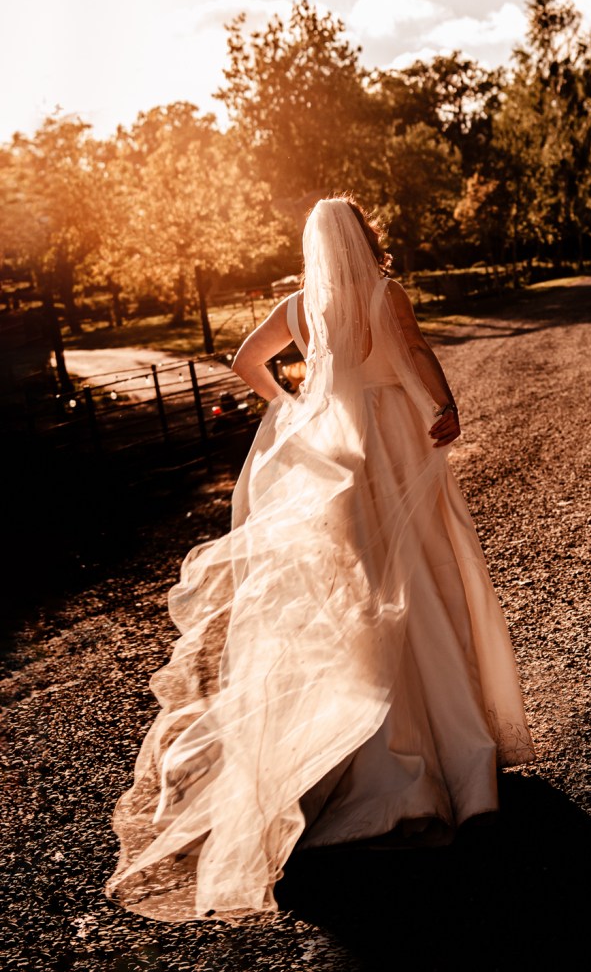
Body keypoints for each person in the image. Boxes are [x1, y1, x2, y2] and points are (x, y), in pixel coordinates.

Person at [105, 195, 535, 923]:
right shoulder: (383, 292)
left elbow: (246, 361)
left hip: (335, 450)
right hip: (396, 440)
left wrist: (294, 403)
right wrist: (445, 404)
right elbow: (416, 355)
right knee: (424, 585)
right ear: (363, 236)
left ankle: (369, 760)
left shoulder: (301, 306)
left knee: (358, 598)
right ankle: (457, 764)